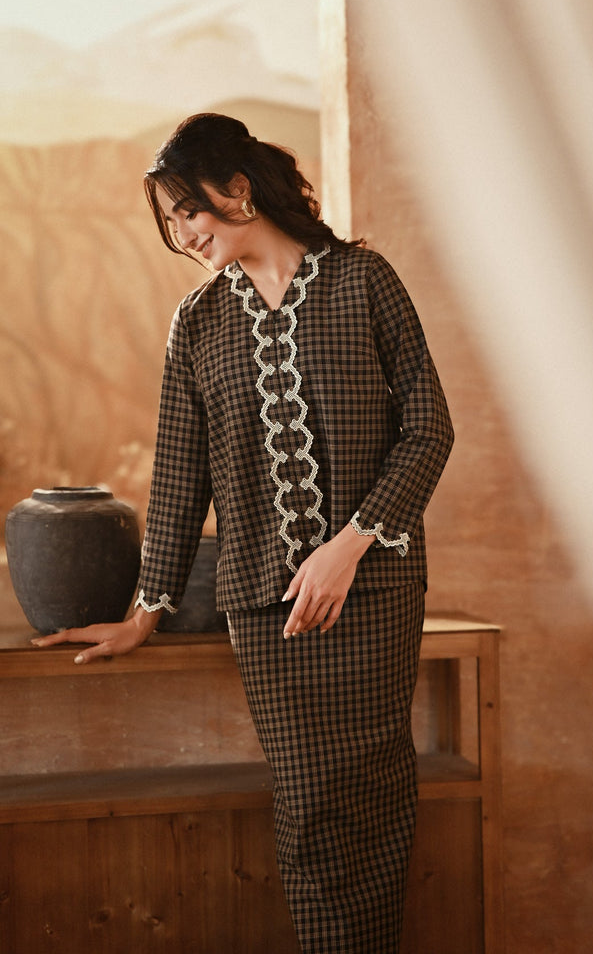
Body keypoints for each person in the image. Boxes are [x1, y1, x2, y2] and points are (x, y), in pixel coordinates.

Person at [33, 113, 454, 953]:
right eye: (172, 221)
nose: (184, 234)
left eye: (190, 209)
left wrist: (347, 546)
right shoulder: (197, 323)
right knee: (306, 806)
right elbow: (179, 479)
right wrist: (144, 612)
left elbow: (428, 430)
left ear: (238, 188)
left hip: (372, 590)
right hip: (265, 607)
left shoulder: (363, 280)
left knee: (374, 792)